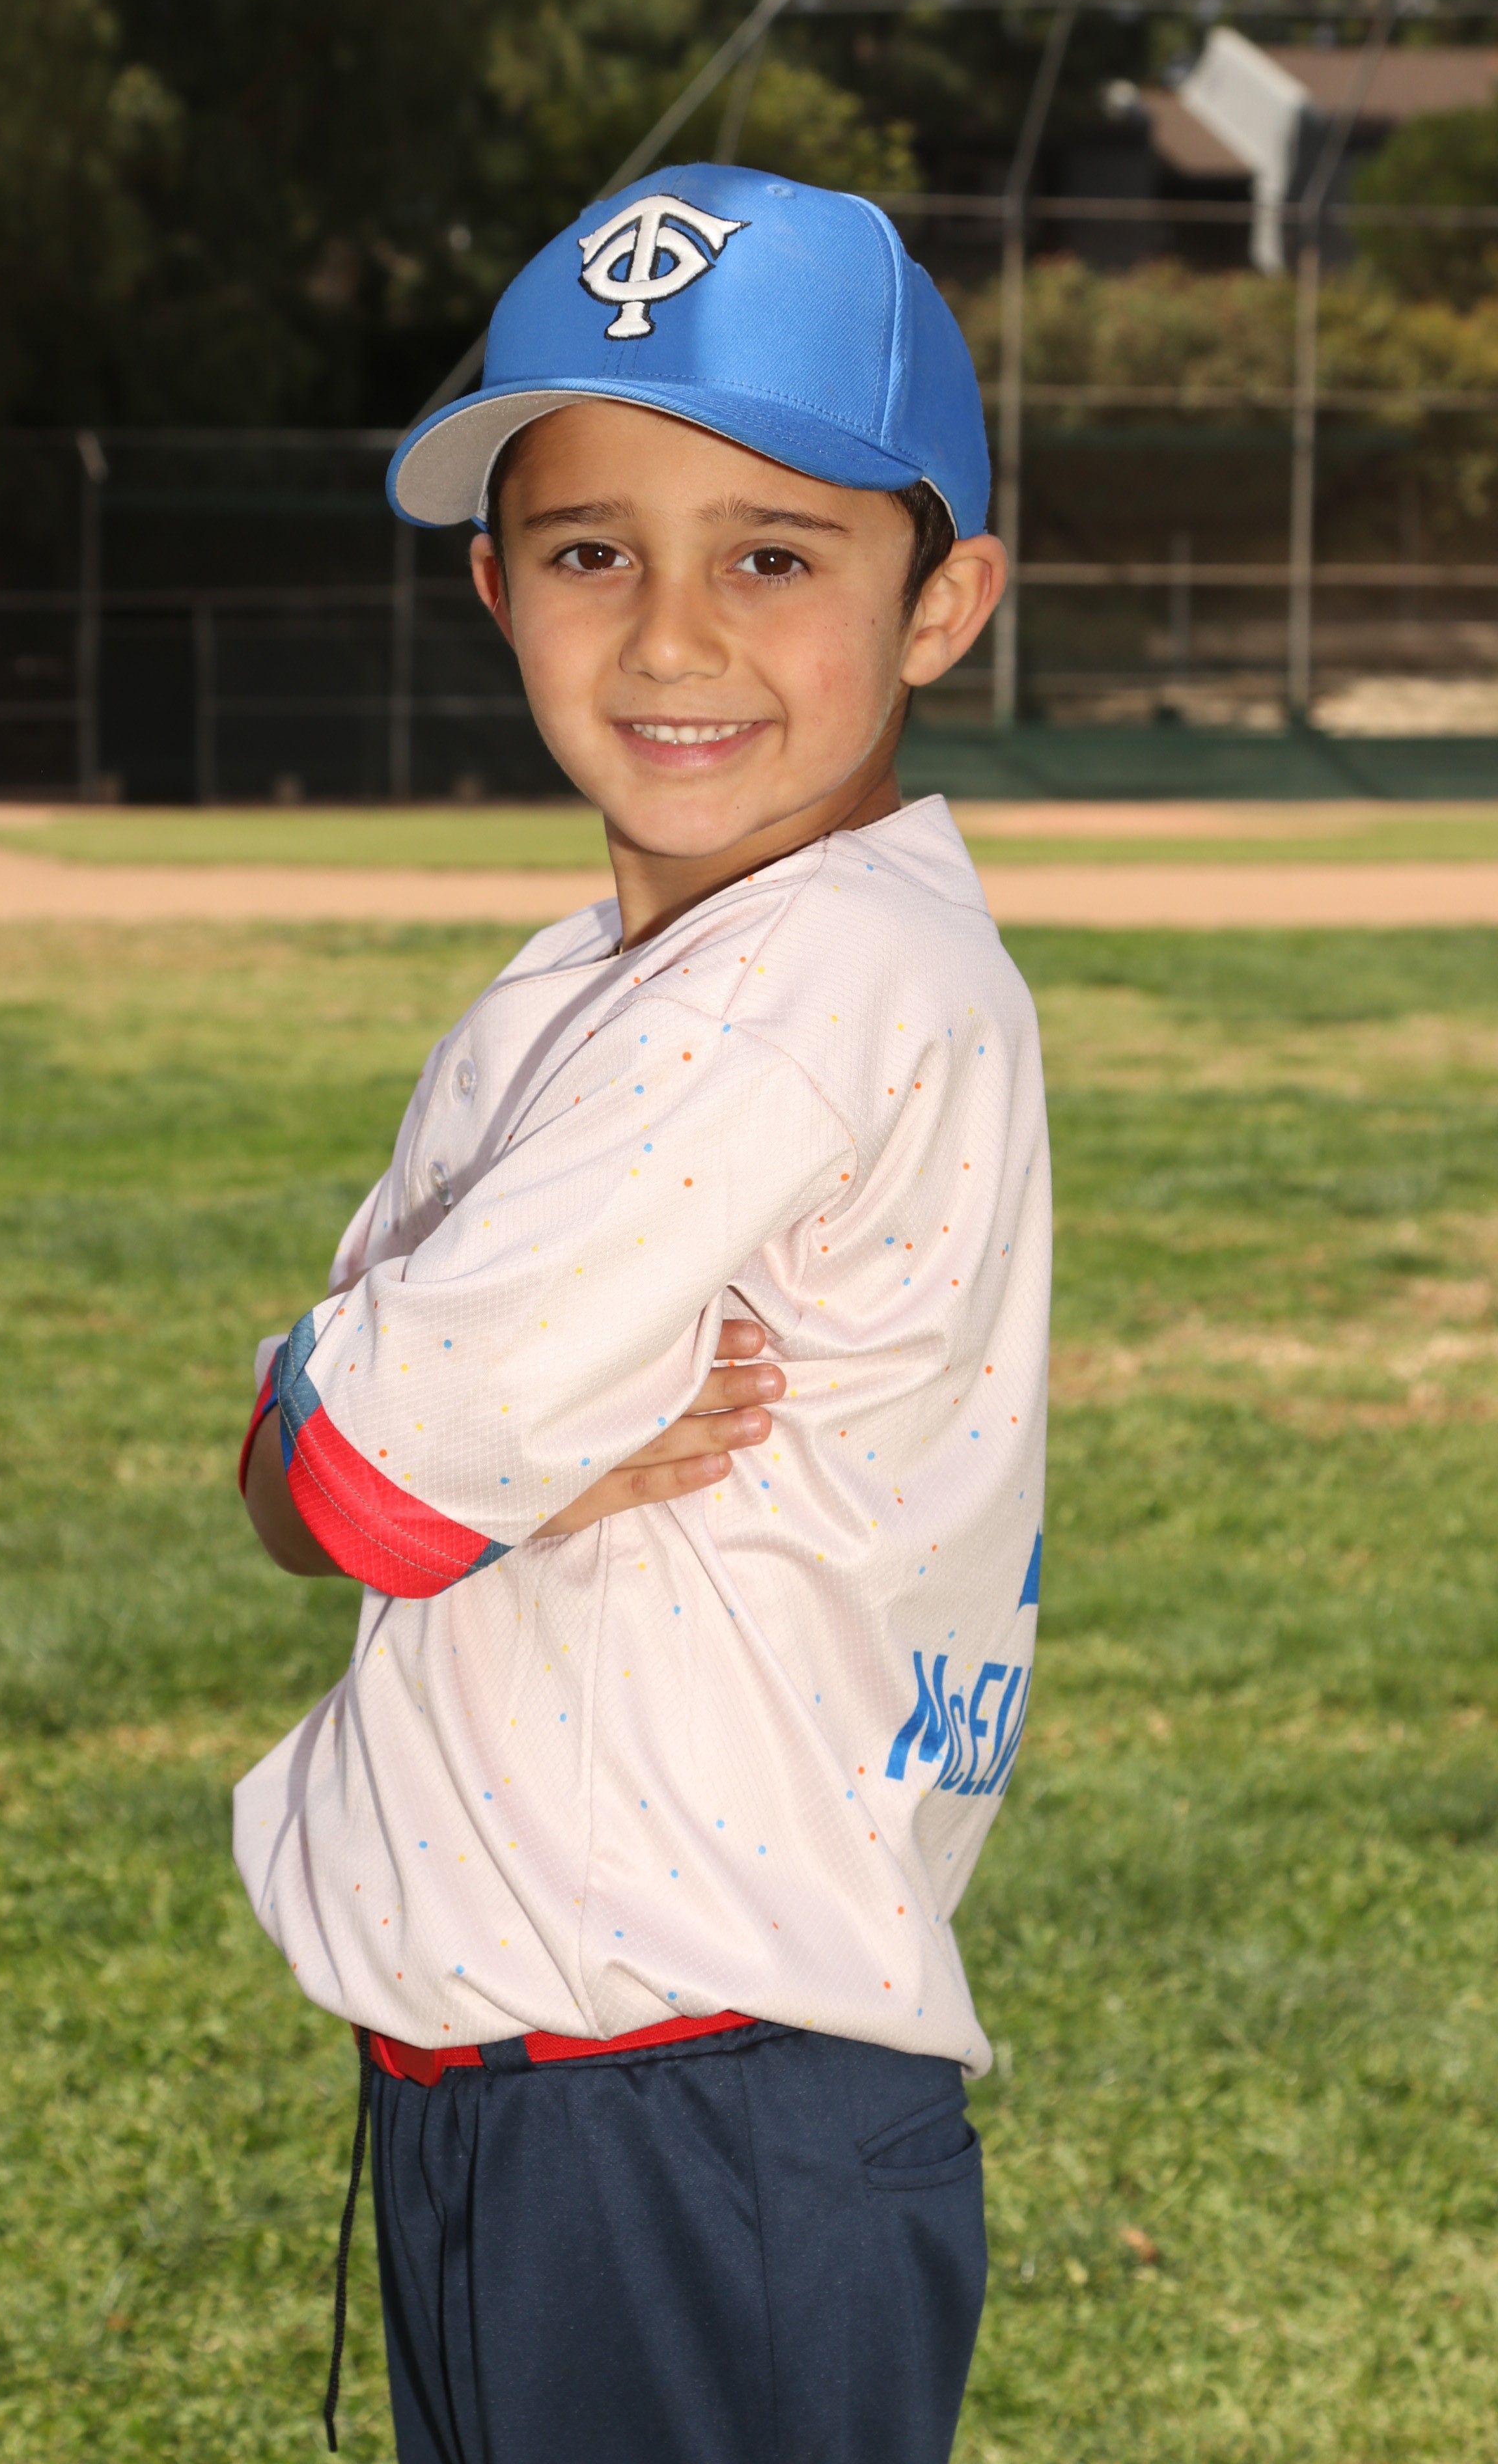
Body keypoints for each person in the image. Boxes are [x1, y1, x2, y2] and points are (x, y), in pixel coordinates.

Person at [235, 163, 1051, 2464]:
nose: (674, 638)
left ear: (942, 600)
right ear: (498, 586)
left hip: (679, 2120)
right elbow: (342, 1465)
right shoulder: (602, 987)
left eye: (772, 556)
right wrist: (429, 1438)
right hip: (591, 2097)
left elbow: (345, 1485)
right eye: (595, 551)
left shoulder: (797, 980)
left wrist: (358, 1410)